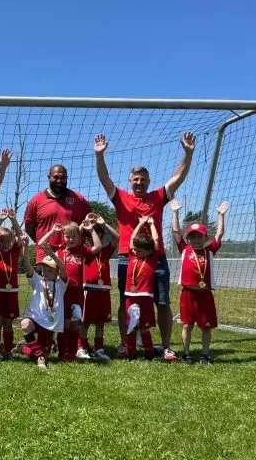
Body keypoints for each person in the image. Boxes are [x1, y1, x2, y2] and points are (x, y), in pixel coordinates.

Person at [94, 131, 196, 361]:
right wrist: (99, 156)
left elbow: (177, 178)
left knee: (162, 301)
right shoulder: (120, 197)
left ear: (148, 182)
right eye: (135, 179)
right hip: (126, 258)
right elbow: (103, 178)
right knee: (124, 301)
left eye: (143, 179)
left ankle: (166, 346)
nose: (139, 182)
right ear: (130, 182)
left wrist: (188, 154)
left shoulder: (159, 197)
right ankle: (123, 343)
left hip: (156, 258)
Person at [172, 200, 229, 365]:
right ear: (188, 238)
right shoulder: (185, 249)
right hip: (188, 293)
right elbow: (176, 231)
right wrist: (175, 213)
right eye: (192, 236)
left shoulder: (209, 250)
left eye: (199, 236)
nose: (196, 239)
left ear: (205, 237)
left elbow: (219, 234)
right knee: (187, 326)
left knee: (206, 327)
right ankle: (187, 354)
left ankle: (205, 355)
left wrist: (220, 216)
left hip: (205, 294)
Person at [39, 220, 101, 361]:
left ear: (79, 237)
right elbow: (42, 243)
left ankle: (72, 353)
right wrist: (53, 231)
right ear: (63, 237)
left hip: (77, 292)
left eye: (74, 237)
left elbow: (97, 247)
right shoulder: (59, 250)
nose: (71, 240)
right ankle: (63, 353)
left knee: (75, 322)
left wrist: (91, 230)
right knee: (65, 322)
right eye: (68, 237)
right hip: (62, 292)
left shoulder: (81, 250)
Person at [23, 164, 92, 260]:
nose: (59, 181)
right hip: (46, 258)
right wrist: (42, 242)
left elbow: (89, 223)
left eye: (63, 178)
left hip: (74, 257)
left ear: (67, 178)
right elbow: (29, 227)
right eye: (56, 177)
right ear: (48, 177)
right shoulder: (36, 200)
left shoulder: (79, 199)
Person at [79, 213, 119, 362]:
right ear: (88, 236)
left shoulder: (107, 250)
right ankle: (81, 347)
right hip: (88, 288)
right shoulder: (84, 249)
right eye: (92, 233)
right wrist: (85, 225)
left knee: (101, 322)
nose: (96, 234)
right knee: (85, 321)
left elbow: (118, 238)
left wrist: (104, 224)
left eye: (99, 232)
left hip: (104, 289)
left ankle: (99, 349)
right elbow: (76, 235)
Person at [19, 249, 68, 369]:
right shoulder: (37, 280)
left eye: (50, 269)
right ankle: (40, 357)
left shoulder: (61, 284)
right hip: (35, 319)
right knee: (25, 324)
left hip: (49, 324)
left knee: (45, 354)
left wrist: (52, 254)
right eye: (44, 269)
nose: (46, 272)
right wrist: (25, 248)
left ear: (57, 272)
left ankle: (24, 349)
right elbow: (28, 265)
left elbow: (63, 269)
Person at [0, 208, 26, 360]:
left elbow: (20, 235)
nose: (4, 243)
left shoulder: (14, 251)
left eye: (7, 240)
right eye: (1, 240)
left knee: (8, 324)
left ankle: (8, 352)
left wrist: (12, 220)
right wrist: (0, 220)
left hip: (11, 294)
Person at [125, 216, 162, 359]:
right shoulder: (132, 256)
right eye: (134, 249)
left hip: (145, 296)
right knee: (131, 327)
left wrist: (152, 224)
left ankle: (149, 354)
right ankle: (131, 355)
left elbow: (156, 241)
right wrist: (140, 223)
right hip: (130, 295)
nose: (135, 252)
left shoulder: (151, 259)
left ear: (147, 251)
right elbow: (132, 238)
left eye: (138, 250)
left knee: (144, 328)